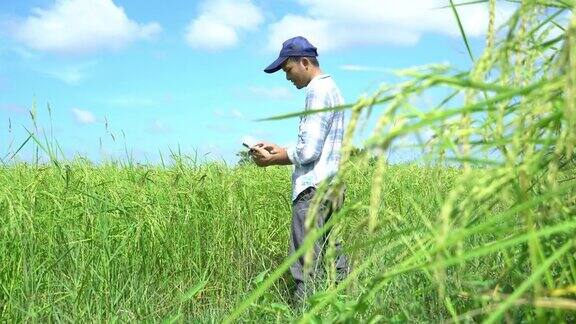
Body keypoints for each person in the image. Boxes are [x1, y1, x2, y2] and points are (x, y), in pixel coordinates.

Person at [249, 36, 349, 302]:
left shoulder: (317, 91)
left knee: (306, 265)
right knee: (333, 256)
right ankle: (342, 309)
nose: (287, 77)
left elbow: (308, 151)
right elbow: (317, 145)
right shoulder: (333, 89)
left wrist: (272, 159)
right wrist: (279, 149)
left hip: (313, 190)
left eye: (288, 70)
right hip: (332, 186)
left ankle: (304, 314)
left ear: (305, 62)